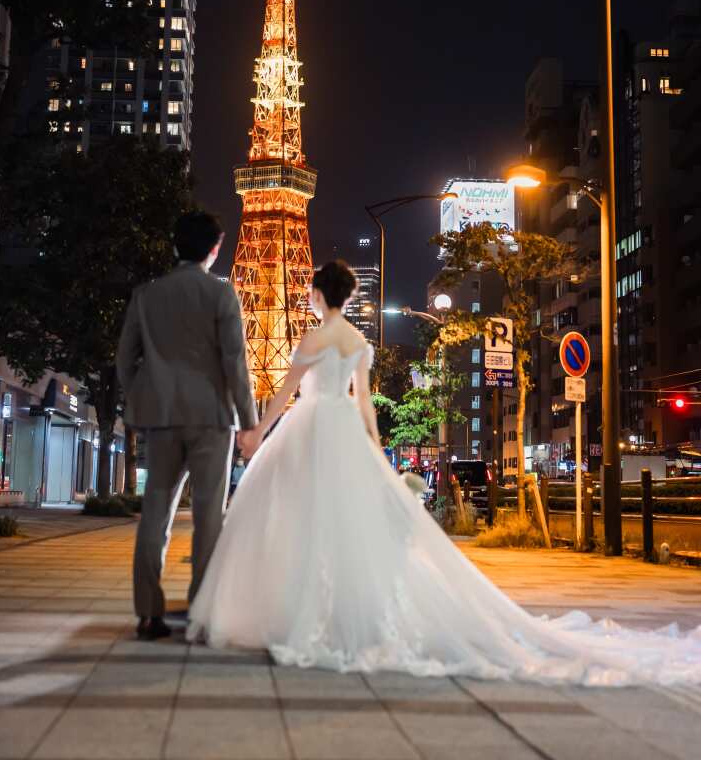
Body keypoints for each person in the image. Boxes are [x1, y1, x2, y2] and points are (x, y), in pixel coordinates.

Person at [188, 259, 701, 685]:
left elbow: (283, 393)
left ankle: (294, 610)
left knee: (295, 517)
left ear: (320, 295)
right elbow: (363, 405)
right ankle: (347, 613)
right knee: (348, 524)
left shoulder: (311, 340)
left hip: (306, 428)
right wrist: (374, 451)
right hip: (342, 430)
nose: (308, 297)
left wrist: (256, 433)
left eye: (311, 292)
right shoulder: (357, 343)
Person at [116, 210, 256, 640]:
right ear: (214, 249)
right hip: (212, 417)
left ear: (175, 244)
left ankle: (148, 613)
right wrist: (249, 422)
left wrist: (146, 396)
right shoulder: (221, 293)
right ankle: (201, 611)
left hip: (162, 418)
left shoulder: (146, 294)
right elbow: (235, 362)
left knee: (155, 511)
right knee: (209, 516)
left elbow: (124, 359)